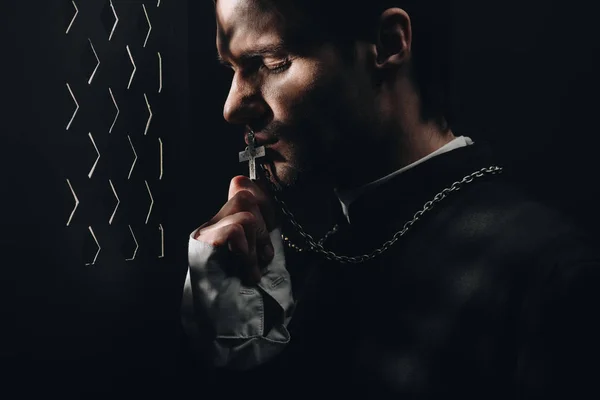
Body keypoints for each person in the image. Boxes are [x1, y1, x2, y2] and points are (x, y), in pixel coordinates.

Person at [179, 0, 600, 398]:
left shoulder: (549, 280)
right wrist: (241, 353)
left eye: (273, 63)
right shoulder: (305, 267)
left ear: (388, 43)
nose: (232, 106)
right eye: (231, 69)